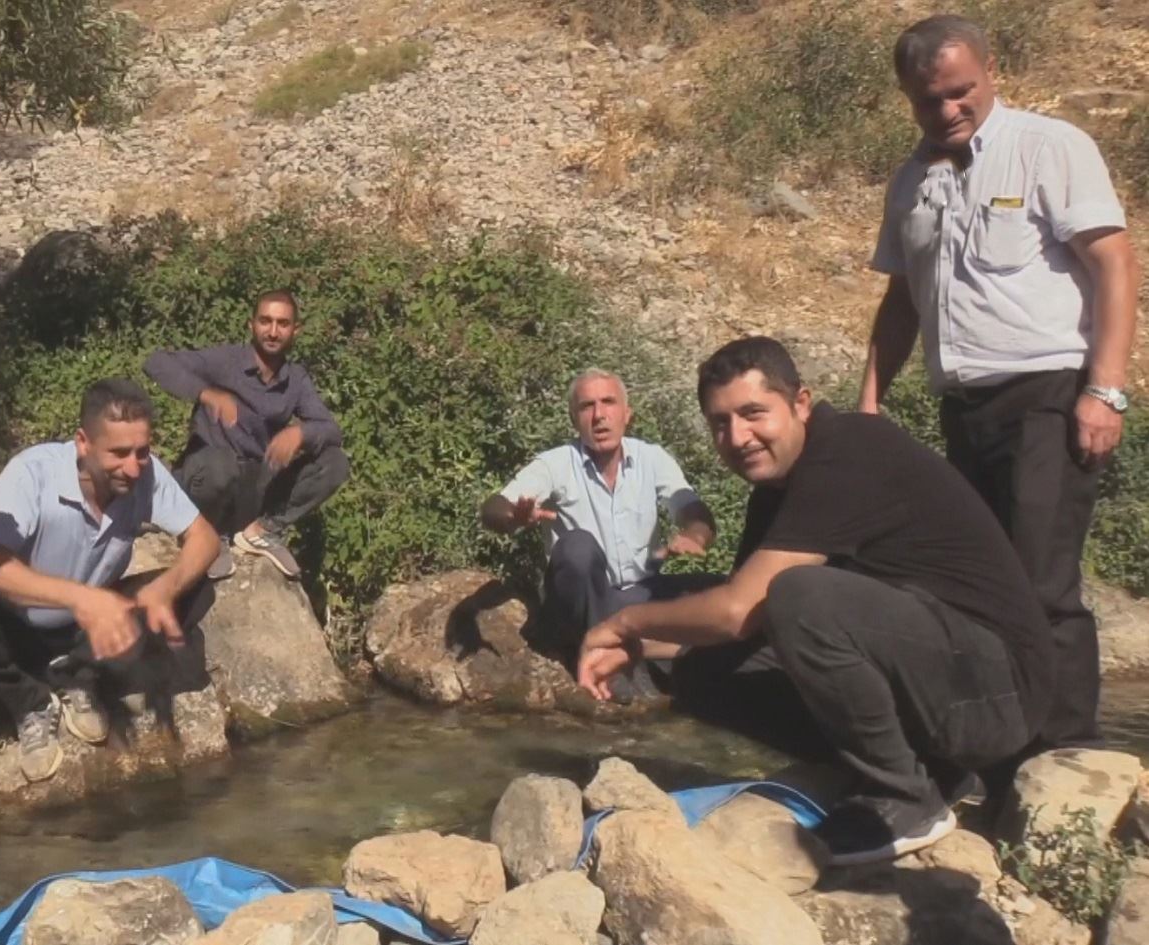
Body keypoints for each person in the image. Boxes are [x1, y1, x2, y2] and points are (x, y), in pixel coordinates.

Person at [578, 338, 1053, 865]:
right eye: (719, 423)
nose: (737, 436)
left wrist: (624, 621)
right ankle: (924, 770)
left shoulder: (850, 450)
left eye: (753, 413)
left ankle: (904, 796)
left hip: (999, 691)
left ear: (800, 403)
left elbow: (737, 609)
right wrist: (637, 648)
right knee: (702, 671)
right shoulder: (777, 491)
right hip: (943, 678)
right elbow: (740, 624)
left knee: (799, 595)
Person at [858, 14, 1139, 749]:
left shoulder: (1049, 148)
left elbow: (1113, 262)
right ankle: (1002, 746)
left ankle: (1065, 763)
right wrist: (868, 403)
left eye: (960, 92)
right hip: (963, 410)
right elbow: (902, 300)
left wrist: (1106, 390)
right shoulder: (912, 180)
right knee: (982, 585)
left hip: (1047, 396)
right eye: (929, 100)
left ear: (991, 72)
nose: (948, 110)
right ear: (908, 99)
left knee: (1041, 584)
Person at [0, 378, 219, 784]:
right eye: (119, 453)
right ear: (83, 443)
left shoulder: (145, 474)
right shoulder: (32, 472)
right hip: (20, 622)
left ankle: (77, 676)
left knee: (196, 589)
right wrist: (80, 599)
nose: (133, 468)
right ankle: (32, 702)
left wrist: (165, 589)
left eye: (142, 452)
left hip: (89, 630)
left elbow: (204, 537)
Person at [480, 368, 716, 664]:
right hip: (577, 599)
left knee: (725, 591)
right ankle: (602, 654)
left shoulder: (652, 458)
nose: (599, 415)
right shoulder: (556, 463)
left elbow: (691, 507)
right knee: (576, 546)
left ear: (627, 414)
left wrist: (694, 535)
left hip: (637, 594)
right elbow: (493, 508)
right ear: (573, 419)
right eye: (586, 406)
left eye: (608, 402)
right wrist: (513, 517)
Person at [143, 289, 349, 581]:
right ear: (251, 325)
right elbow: (157, 363)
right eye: (265, 321)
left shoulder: (295, 379)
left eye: (283, 324)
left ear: (295, 330)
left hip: (253, 485)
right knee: (220, 465)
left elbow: (330, 429)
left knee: (335, 462)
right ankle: (208, 534)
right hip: (208, 479)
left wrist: (301, 433)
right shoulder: (225, 361)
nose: (273, 332)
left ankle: (261, 532)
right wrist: (206, 393)